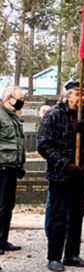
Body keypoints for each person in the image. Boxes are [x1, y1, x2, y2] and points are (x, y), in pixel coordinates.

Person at [37, 80, 84, 272]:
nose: (81, 98)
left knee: (77, 215)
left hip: (80, 174)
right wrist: (64, 163)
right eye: (77, 94)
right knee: (58, 216)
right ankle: (54, 257)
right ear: (67, 95)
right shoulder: (54, 115)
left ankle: (72, 254)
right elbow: (44, 145)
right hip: (61, 174)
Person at [1, 86, 26, 257]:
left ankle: (3, 239)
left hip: (12, 166)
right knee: (1, 205)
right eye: (19, 98)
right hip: (1, 166)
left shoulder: (13, 117)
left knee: (8, 206)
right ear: (9, 98)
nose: (21, 102)